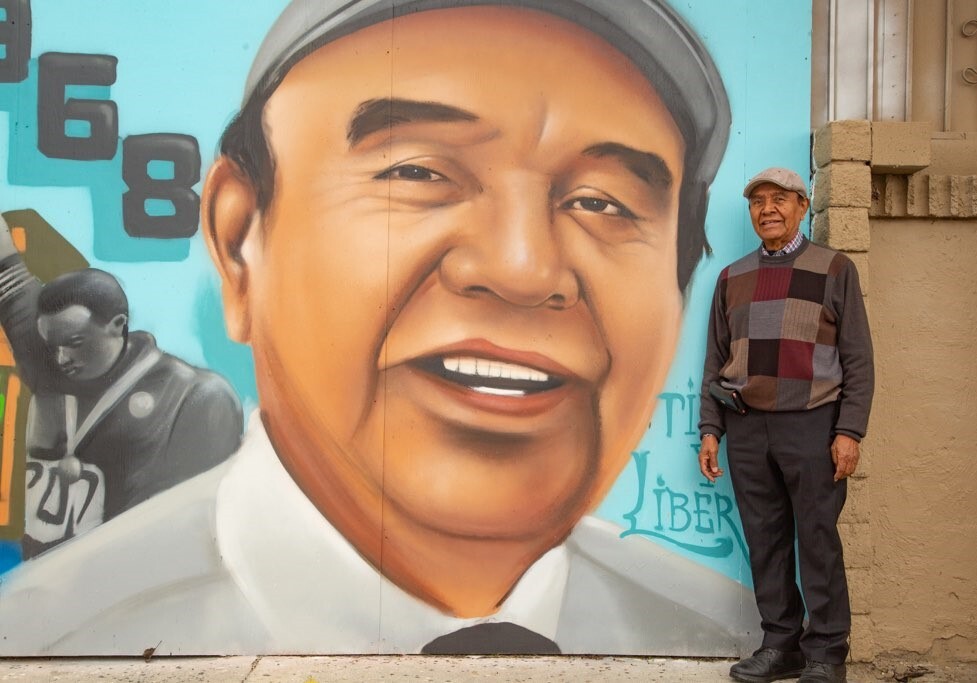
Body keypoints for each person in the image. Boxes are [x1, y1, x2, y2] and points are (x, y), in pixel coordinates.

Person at [0, 0, 760, 655]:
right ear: (239, 244)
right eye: (418, 171)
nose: (525, 268)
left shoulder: (716, 628)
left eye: (605, 202)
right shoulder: (52, 634)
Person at [697, 167, 874, 683]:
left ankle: (826, 654)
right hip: (748, 428)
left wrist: (850, 431)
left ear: (803, 205)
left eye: (780, 199)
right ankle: (781, 645)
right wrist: (712, 428)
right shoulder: (732, 277)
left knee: (817, 539)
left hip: (812, 425)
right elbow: (716, 360)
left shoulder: (834, 268)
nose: (767, 209)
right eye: (758, 202)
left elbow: (858, 358)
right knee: (765, 539)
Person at [0, 227, 244, 555]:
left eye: (75, 344)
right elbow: (11, 284)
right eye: (52, 345)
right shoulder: (54, 357)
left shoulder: (192, 399)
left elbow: (185, 531)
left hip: (122, 585)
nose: (61, 359)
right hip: (44, 582)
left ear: (118, 325)